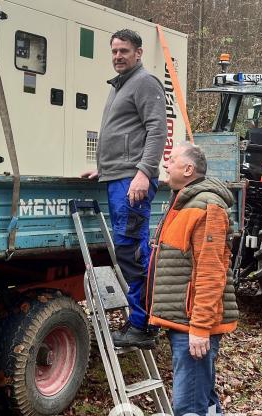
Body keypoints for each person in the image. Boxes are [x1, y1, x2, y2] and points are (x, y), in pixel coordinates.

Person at [148, 142, 238, 416]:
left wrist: (200, 327)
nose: (165, 165)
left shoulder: (206, 207)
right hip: (185, 322)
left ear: (188, 170)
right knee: (205, 401)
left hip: (193, 326)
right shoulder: (184, 201)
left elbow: (212, 272)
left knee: (189, 409)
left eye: (171, 161)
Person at [81, 29, 167, 348]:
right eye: (114, 51)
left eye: (124, 51)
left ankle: (142, 326)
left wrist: (144, 172)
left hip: (132, 182)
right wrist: (104, 168)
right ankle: (141, 321)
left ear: (139, 53)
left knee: (132, 251)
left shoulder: (145, 82)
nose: (118, 56)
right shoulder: (121, 85)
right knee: (127, 248)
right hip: (118, 177)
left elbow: (157, 130)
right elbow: (123, 133)